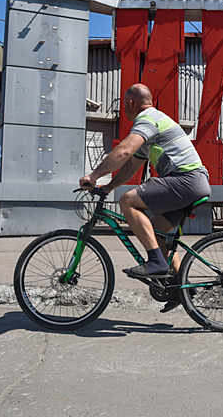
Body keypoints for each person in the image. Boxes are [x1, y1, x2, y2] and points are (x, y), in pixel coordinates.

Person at [79, 83, 211, 313]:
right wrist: (108, 186)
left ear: (131, 103)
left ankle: (156, 262)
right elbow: (132, 163)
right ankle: (182, 289)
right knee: (157, 231)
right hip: (192, 183)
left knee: (127, 201)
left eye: (124, 105)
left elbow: (124, 151)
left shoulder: (148, 119)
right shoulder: (154, 125)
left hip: (185, 180)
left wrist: (93, 175)